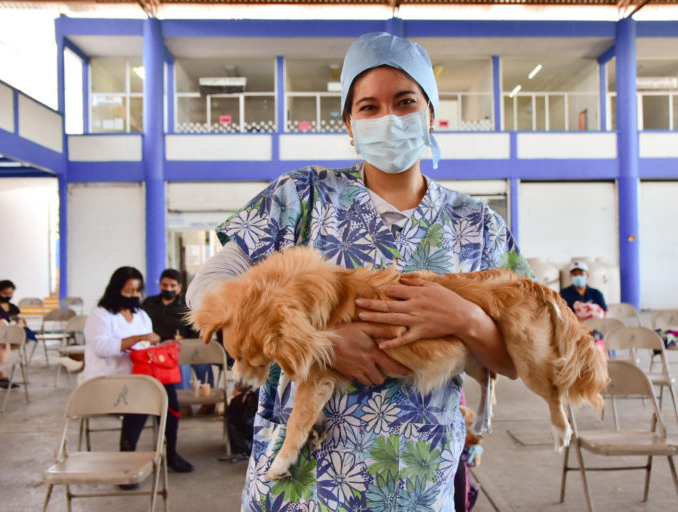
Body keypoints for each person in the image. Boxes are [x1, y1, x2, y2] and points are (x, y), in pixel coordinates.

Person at [187, 32, 532, 511]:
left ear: (430, 113)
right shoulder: (301, 197)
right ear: (348, 123)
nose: (388, 118)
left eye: (405, 101)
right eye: (369, 107)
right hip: (301, 483)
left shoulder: (477, 225)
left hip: (414, 480)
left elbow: (518, 359)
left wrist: (465, 320)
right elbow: (210, 285)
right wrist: (317, 346)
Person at [83, 266, 194, 488]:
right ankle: (127, 459)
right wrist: (139, 337)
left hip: (140, 375)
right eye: (128, 291)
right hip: (110, 380)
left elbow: (145, 348)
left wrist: (164, 345)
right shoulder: (100, 315)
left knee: (169, 399)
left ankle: (170, 452)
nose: (134, 296)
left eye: (137, 291)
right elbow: (102, 348)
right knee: (141, 399)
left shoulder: (140, 315)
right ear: (115, 290)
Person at [141, 268, 213, 414]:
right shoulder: (148, 304)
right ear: (160, 285)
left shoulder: (187, 307)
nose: (168, 289)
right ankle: (183, 403)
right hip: (157, 348)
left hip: (182, 346)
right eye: (165, 285)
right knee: (181, 364)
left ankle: (209, 400)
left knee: (202, 359)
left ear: (179, 287)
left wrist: (184, 339)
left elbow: (196, 333)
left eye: (172, 286)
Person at [0, 280, 26, 389]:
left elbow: (21, 321)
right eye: (5, 294)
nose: (8, 296)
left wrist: (18, 325)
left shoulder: (13, 307)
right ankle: (2, 377)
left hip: (9, 336)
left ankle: (2, 377)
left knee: (5, 339)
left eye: (10, 294)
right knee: (2, 341)